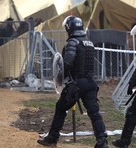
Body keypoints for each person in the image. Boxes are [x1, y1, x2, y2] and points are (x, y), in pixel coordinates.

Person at [37, 15, 109, 148]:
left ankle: (52, 138)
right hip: (90, 83)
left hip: (77, 84)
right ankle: (102, 141)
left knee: (60, 108)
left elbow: (67, 63)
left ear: (69, 28)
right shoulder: (88, 42)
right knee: (94, 113)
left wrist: (62, 79)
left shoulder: (73, 42)